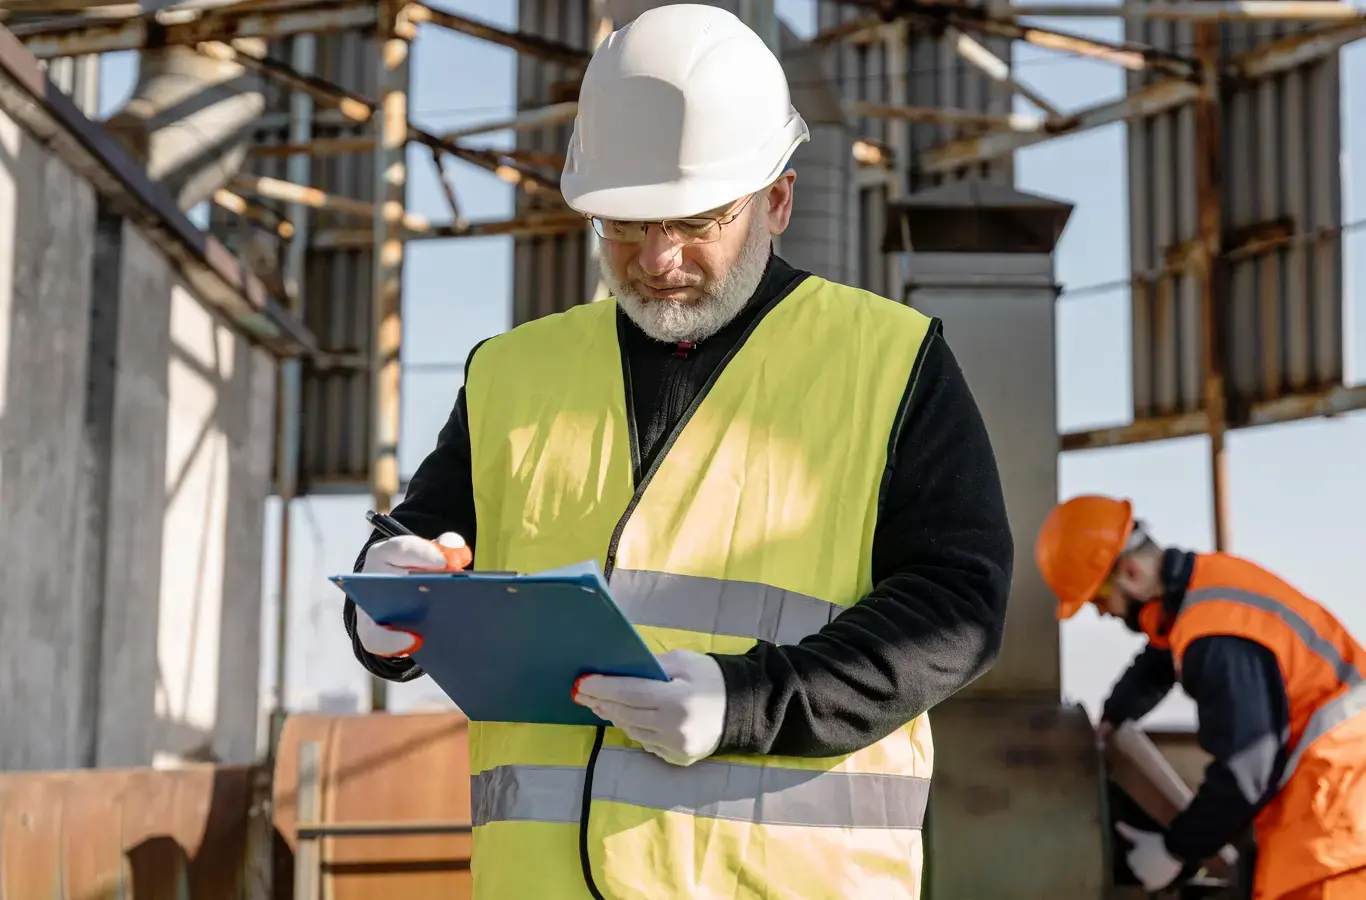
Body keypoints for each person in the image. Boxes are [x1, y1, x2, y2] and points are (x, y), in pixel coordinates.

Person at [342, 5, 1013, 898]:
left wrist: (751, 701)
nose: (657, 260)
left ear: (778, 201)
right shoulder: (511, 373)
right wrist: (386, 609)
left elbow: (958, 607)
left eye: (696, 221)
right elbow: (422, 550)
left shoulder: (891, 364)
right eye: (625, 223)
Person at [1036, 494, 1366, 900]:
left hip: (1340, 814)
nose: (1105, 613)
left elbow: (1245, 773)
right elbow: (1160, 659)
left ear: (1130, 572)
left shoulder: (1216, 641)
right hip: (1338, 788)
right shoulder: (1208, 589)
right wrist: (1112, 718)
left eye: (1100, 600)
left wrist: (1175, 850)